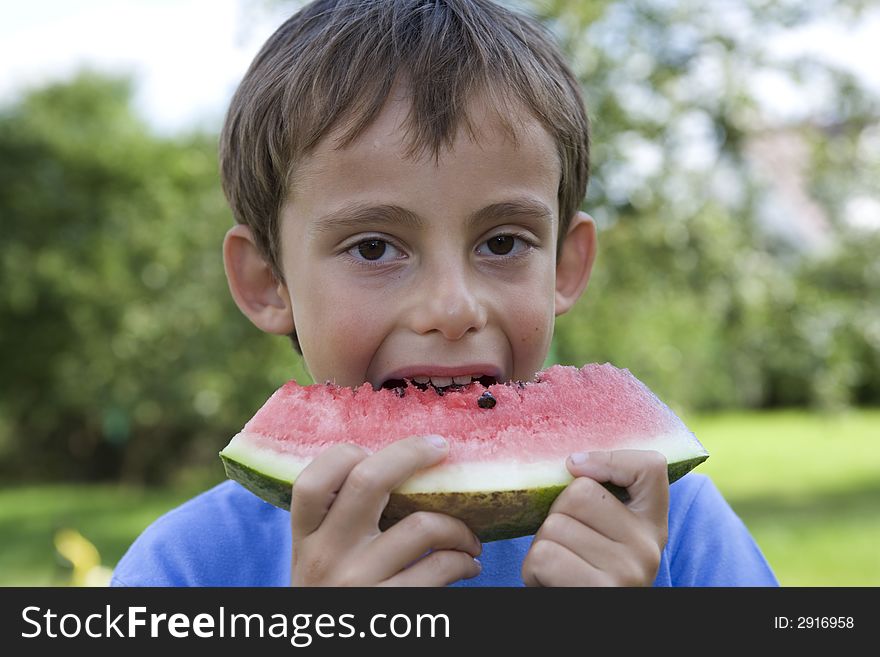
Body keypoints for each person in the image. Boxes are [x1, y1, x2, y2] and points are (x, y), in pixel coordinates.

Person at [111, 0, 777, 587]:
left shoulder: (674, 532)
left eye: (503, 242)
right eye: (373, 247)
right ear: (268, 282)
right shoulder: (186, 569)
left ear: (565, 268)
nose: (453, 308)